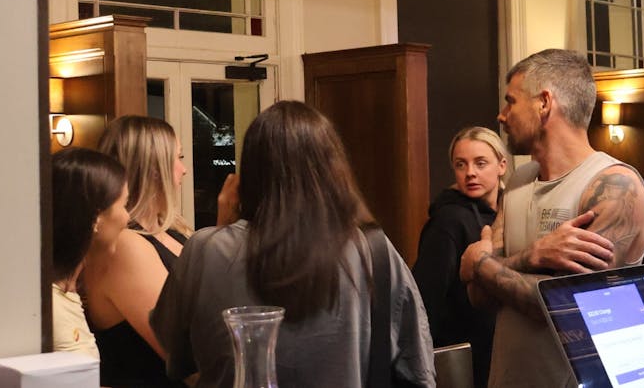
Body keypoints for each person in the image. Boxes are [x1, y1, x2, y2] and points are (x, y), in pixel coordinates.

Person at [151, 101, 435, 387]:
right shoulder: (372, 250)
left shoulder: (204, 250)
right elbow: (417, 368)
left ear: (248, 175)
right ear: (335, 172)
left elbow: (178, 355)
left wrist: (223, 227)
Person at [460, 49, 644, 388]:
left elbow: (566, 307)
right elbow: (478, 295)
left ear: (544, 103)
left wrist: (480, 262)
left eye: (511, 101)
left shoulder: (613, 184)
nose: (502, 116)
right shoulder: (518, 181)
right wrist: (533, 256)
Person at [84, 116, 189, 387]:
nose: (184, 170)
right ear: (153, 169)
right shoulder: (125, 246)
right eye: (178, 158)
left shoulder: (172, 230)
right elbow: (183, 352)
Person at [412, 126, 507, 388]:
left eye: (480, 163)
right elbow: (424, 297)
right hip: (462, 355)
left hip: (500, 350)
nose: (470, 173)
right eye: (460, 164)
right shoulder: (449, 220)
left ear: (501, 165)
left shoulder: (509, 211)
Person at [51, 148, 129, 358]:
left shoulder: (68, 290)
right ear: (96, 218)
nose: (127, 217)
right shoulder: (48, 306)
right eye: (124, 205)